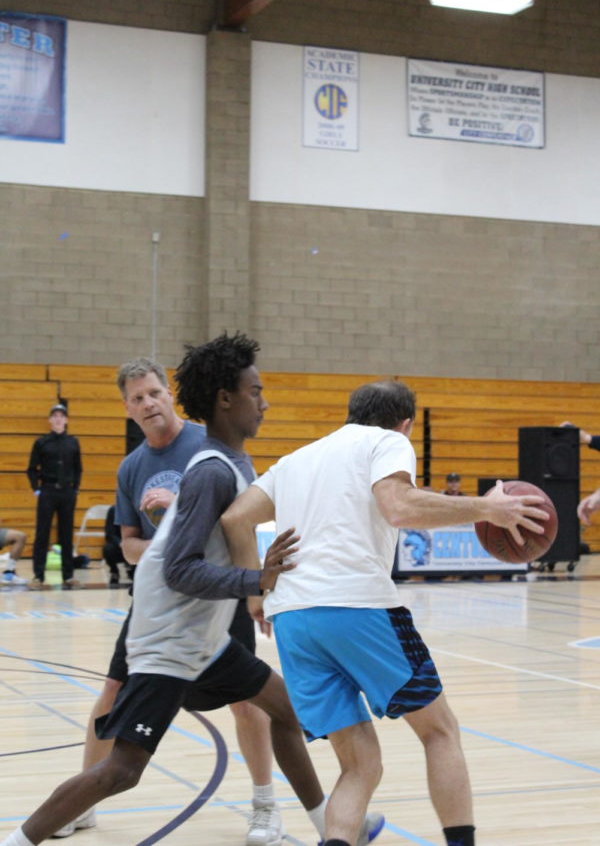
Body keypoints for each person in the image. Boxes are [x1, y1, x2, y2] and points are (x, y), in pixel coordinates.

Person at [0, 334, 383, 846]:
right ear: (226, 398)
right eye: (255, 391)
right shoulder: (209, 473)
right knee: (122, 770)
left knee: (287, 712)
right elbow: (180, 568)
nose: (264, 402)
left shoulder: (225, 460)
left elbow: (230, 540)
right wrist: (256, 580)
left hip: (205, 642)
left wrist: (257, 594)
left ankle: (335, 829)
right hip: (169, 643)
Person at [220, 379, 550, 846]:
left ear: (351, 412)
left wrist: (254, 592)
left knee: (360, 765)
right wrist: (486, 508)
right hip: (357, 606)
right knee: (440, 732)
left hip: (293, 618)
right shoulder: (388, 441)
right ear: (406, 424)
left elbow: (234, 518)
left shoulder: (296, 460)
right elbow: (398, 507)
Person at [54, 355, 285, 846]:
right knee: (112, 694)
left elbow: (242, 519)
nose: (148, 403)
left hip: (219, 597)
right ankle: (83, 804)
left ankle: (265, 805)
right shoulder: (132, 467)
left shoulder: (212, 445)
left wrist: (254, 594)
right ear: (127, 409)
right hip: (159, 606)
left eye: (154, 392)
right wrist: (167, 545)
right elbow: (131, 545)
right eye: (137, 398)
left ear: (170, 395)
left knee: (248, 702)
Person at [26, 404, 82, 590]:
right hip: (48, 492)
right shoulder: (41, 443)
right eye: (55, 416)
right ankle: (38, 576)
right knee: (42, 534)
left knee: (66, 535)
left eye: (61, 416)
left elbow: (78, 468)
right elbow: (32, 469)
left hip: (67, 493)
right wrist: (37, 489)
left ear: (66, 420)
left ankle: (68, 576)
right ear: (50, 420)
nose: (58, 419)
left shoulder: (73, 442)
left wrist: (75, 489)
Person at [102, 504, 133, 588]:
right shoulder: (113, 510)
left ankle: (133, 570)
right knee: (108, 549)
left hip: (134, 544)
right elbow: (109, 534)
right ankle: (114, 572)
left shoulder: (137, 509)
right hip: (118, 545)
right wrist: (121, 544)